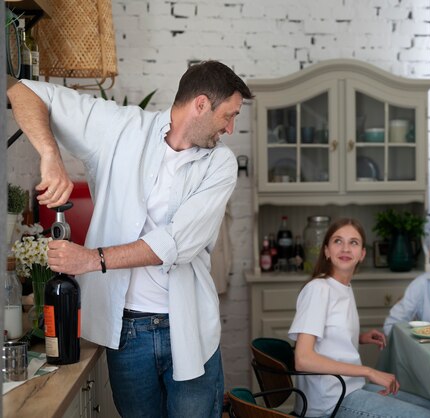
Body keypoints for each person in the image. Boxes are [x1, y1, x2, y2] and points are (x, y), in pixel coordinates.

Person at [6, 61, 254, 417]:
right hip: (127, 333)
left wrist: (92, 259)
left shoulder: (220, 164)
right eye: (228, 116)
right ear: (201, 104)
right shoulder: (119, 128)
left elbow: (176, 243)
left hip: (189, 329)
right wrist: (50, 156)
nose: (230, 129)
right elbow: (20, 89)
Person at [288, 218, 430, 418]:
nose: (345, 248)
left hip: (350, 390)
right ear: (326, 250)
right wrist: (369, 371)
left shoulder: (342, 286)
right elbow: (303, 359)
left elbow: (326, 331)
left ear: (362, 254)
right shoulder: (319, 289)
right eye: (337, 241)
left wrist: (359, 336)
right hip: (330, 403)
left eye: (353, 242)